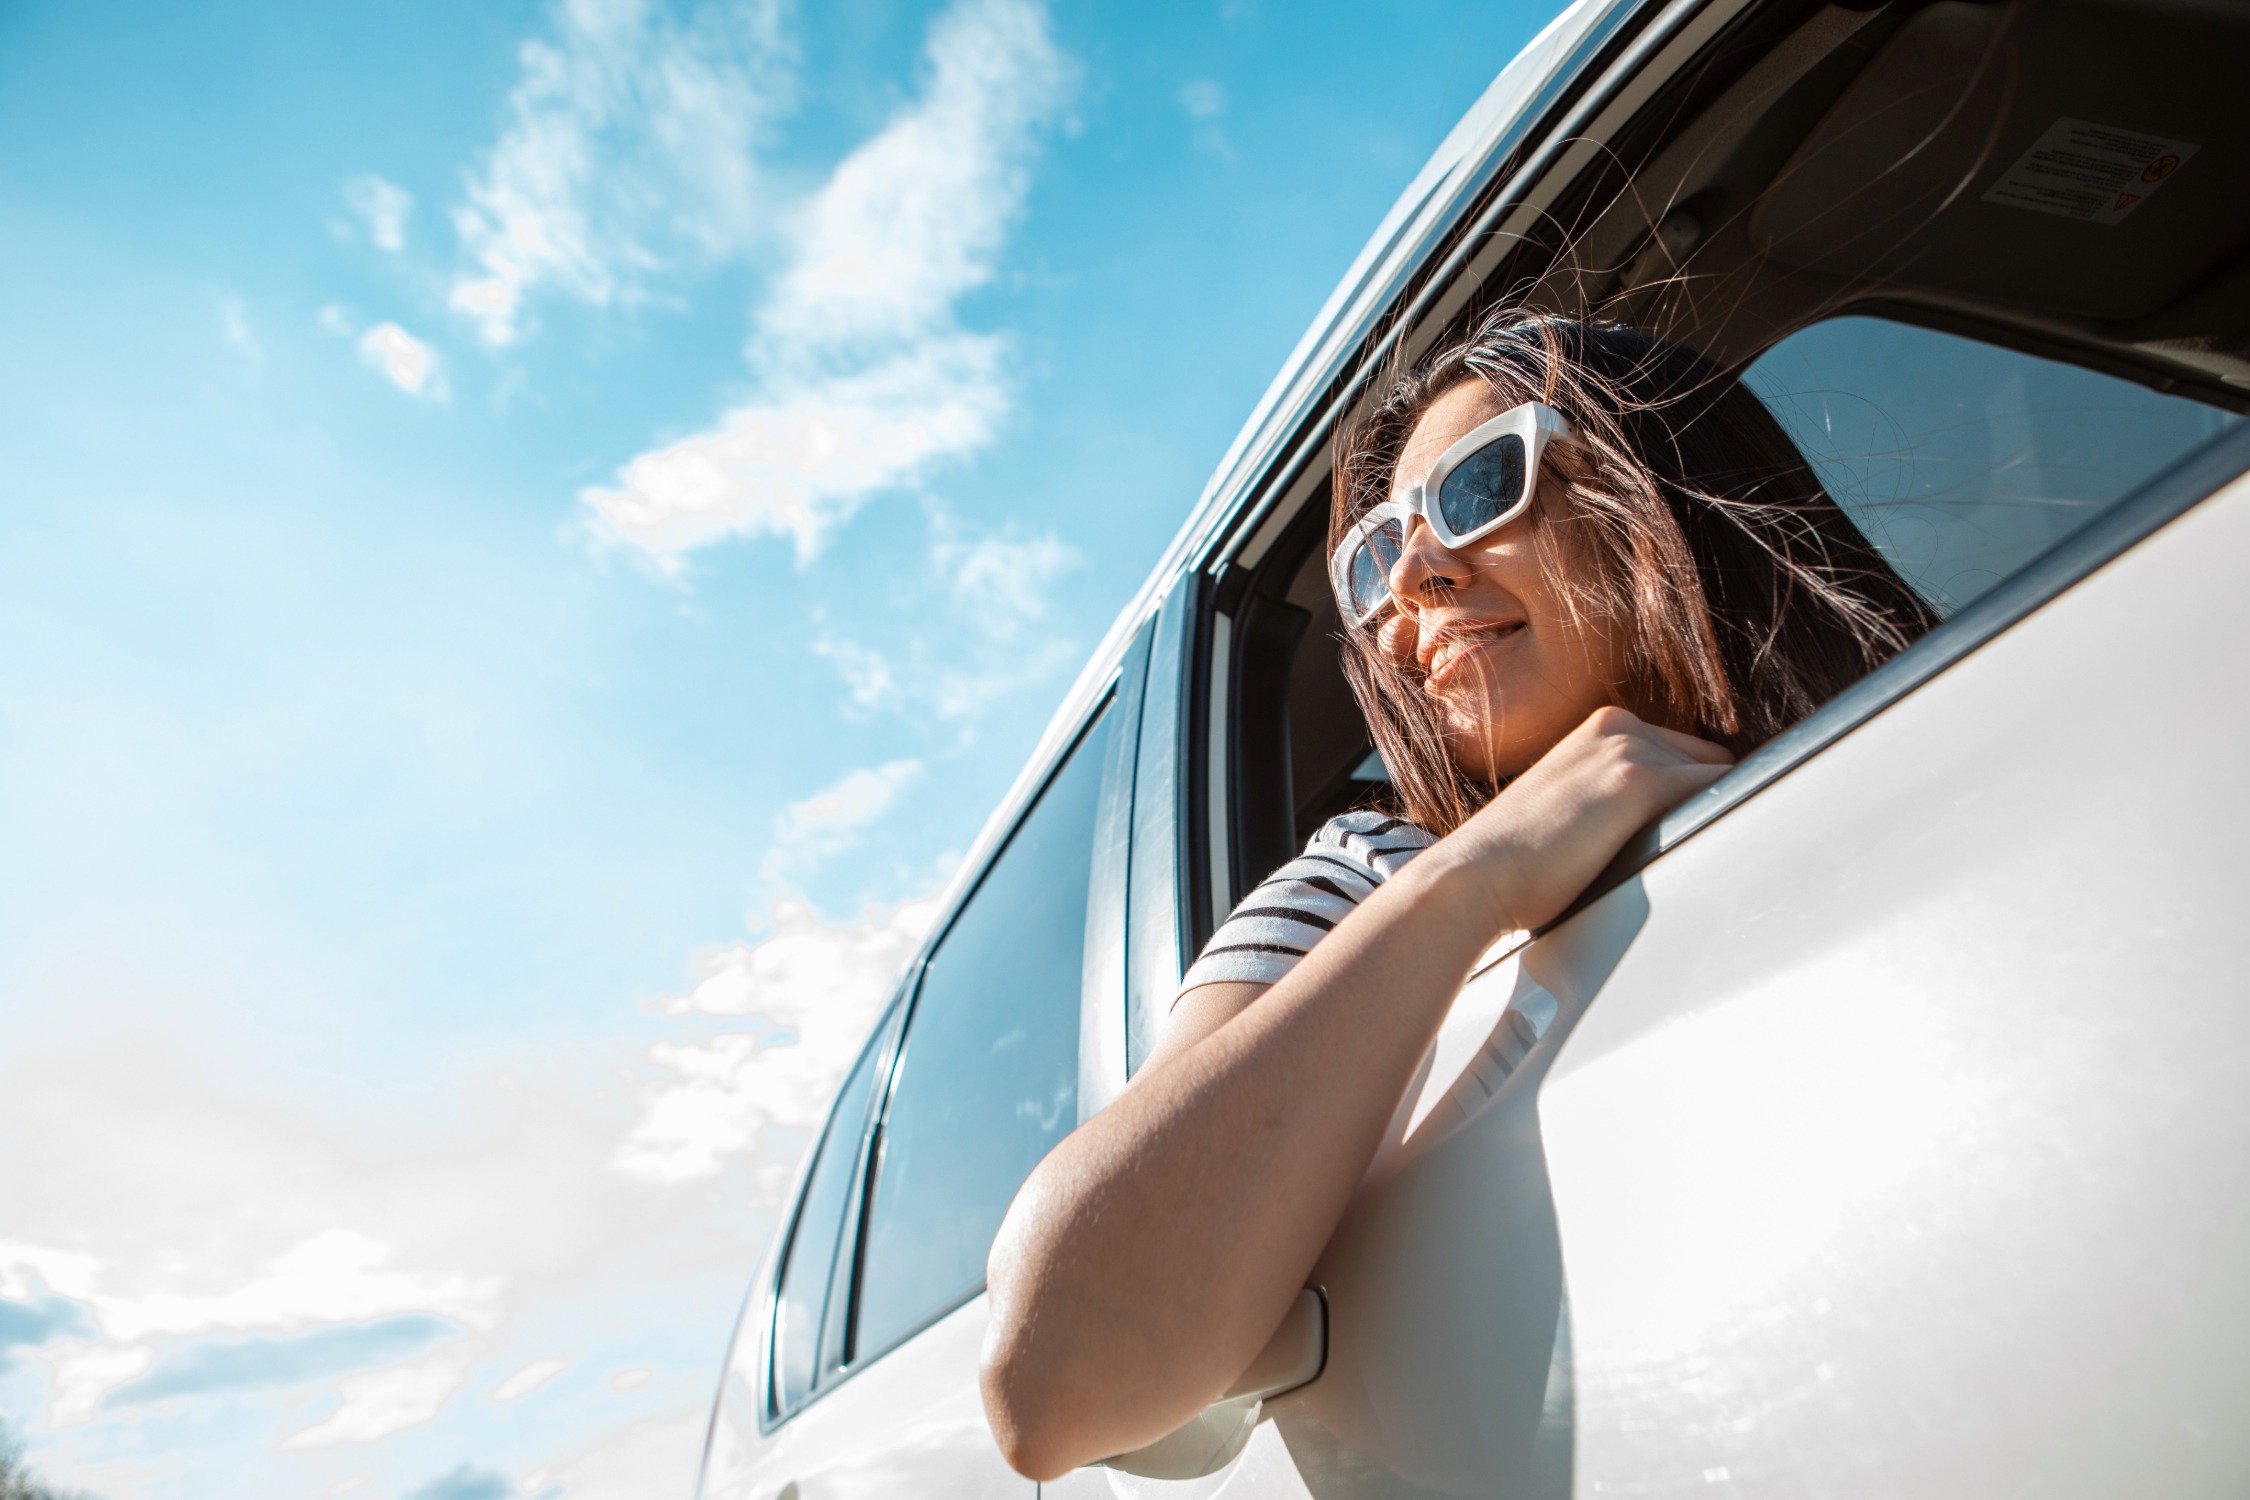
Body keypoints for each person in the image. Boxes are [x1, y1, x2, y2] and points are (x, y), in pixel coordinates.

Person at [978, 311, 1936, 1480]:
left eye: (1484, 484)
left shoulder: (1930, 722)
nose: (1408, 586)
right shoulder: (1362, 876)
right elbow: (1048, 1383)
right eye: (1377, 556)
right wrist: (1474, 875)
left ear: (1655, 492)